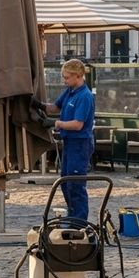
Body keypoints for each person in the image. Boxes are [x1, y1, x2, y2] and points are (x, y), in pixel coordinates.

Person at [33, 59, 95, 222]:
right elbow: (55, 107)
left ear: (78, 76)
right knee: (65, 182)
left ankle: (79, 220)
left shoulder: (84, 96)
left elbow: (77, 124)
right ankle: (72, 215)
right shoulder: (70, 91)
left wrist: (56, 123)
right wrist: (38, 105)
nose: (64, 80)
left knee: (75, 184)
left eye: (67, 77)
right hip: (69, 143)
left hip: (80, 144)